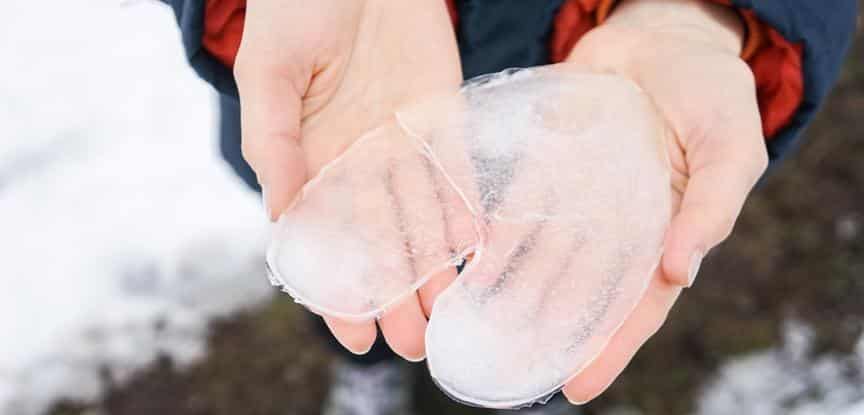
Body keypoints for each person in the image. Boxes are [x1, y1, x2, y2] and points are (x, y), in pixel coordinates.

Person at [163, 0, 858, 414]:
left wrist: (698, 17)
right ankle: (368, 367)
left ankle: (531, 380)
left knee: (553, 281)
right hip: (342, 89)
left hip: (581, 86)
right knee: (356, 259)